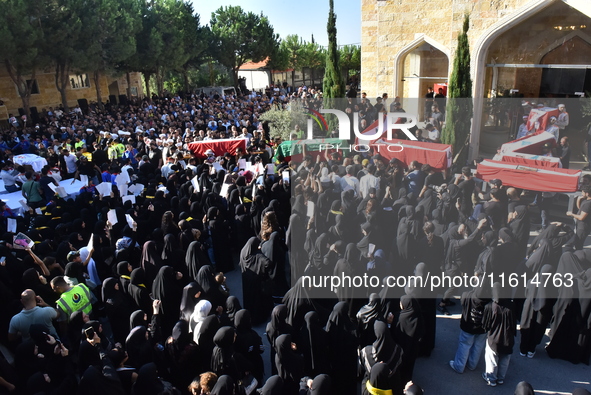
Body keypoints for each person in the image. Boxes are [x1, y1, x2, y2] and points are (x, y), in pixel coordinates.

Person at [482, 283, 516, 387]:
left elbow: (485, 324)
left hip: (494, 339)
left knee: (492, 359)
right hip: (508, 339)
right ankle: (500, 378)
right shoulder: (511, 306)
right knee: (504, 360)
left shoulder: (489, 306)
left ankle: (491, 379)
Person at [449, 285, 489, 373]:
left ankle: (459, 366)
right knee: (478, 346)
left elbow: (462, 302)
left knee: (464, 345)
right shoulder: (489, 300)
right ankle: (472, 365)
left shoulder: (467, 295)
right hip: (482, 328)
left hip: (468, 326)